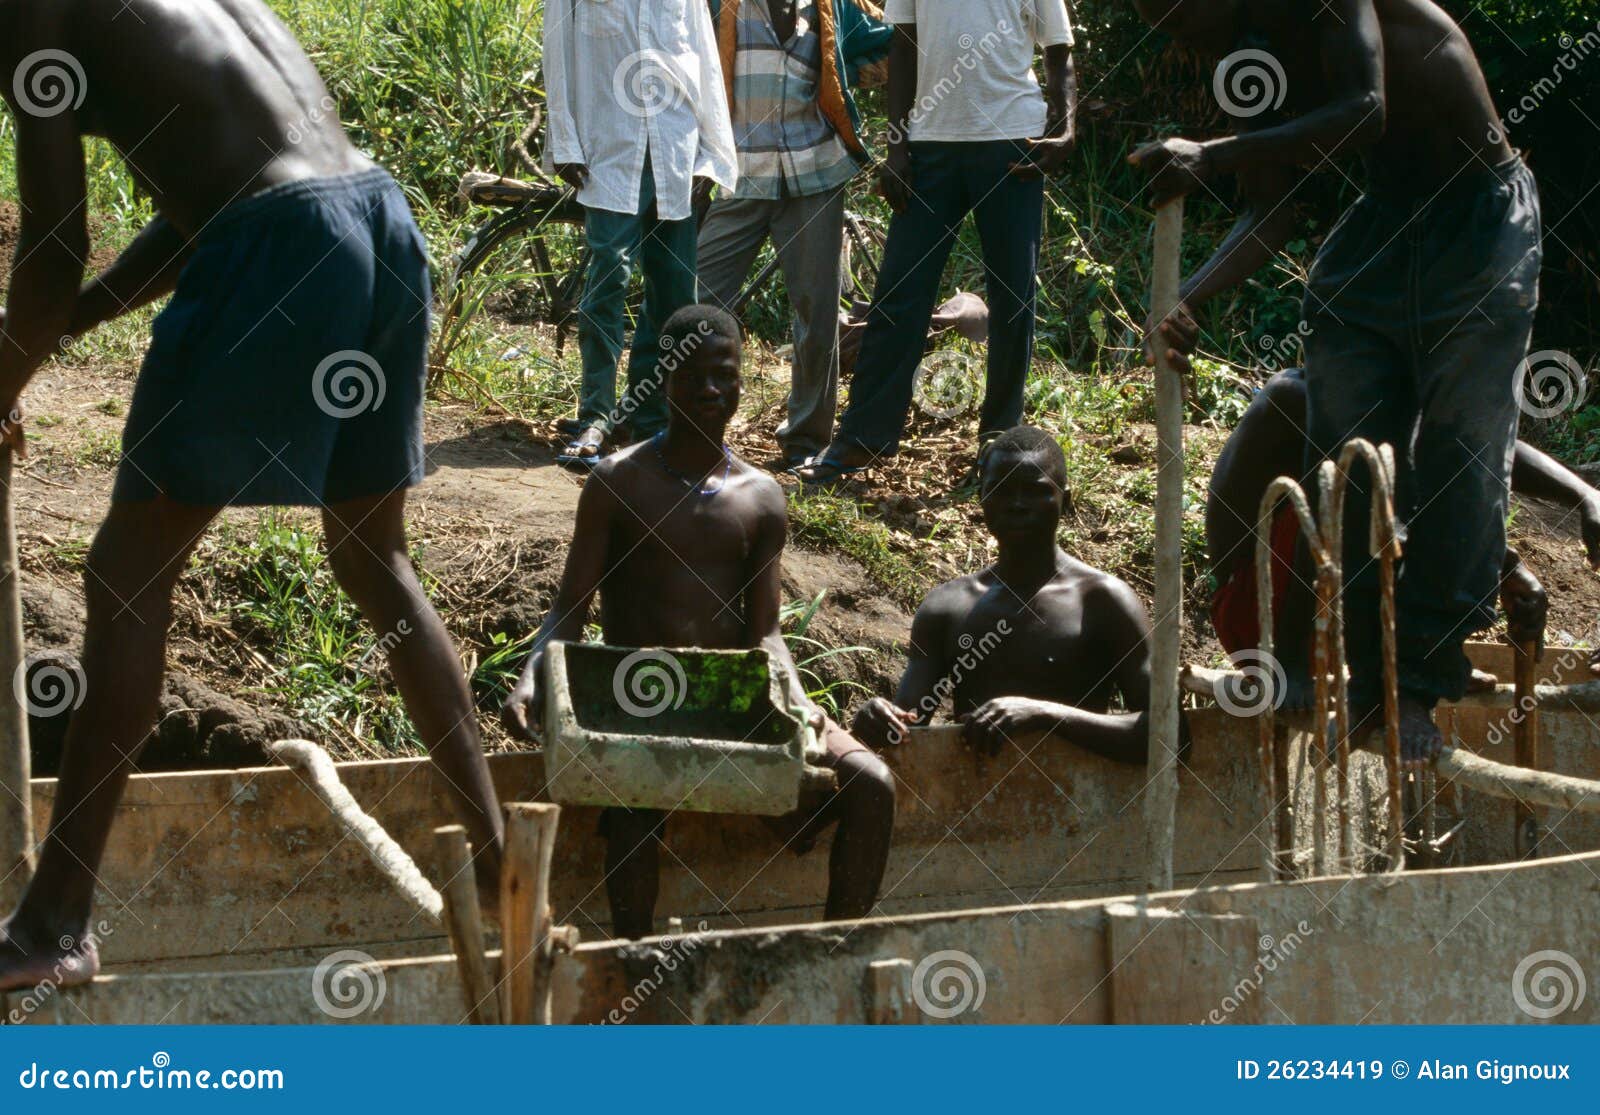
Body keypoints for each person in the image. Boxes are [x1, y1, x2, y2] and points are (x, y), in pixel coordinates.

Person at [0, 0, 503, 992]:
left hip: (282, 245)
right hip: (376, 218)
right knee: (372, 558)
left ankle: (56, 922)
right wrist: (77, 321)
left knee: (126, 571)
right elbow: (214, 189)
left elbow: (55, 244)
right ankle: (502, 859)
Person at [1130, 0, 1541, 766]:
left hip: (1477, 213)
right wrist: (1187, 299)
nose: (1168, 32)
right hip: (1384, 222)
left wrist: (1210, 156)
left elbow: (1366, 113)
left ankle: (1419, 679)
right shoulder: (1245, 68)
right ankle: (1362, 674)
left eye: (1172, 12)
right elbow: (1272, 207)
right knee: (1347, 440)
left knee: (1460, 438)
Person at [501, 305, 894, 940]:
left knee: (872, 781)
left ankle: (834, 950)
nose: (710, 391)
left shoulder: (761, 495)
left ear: (741, 381)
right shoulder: (616, 482)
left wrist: (792, 698)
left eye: (725, 376)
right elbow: (570, 609)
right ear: (663, 378)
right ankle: (635, 961)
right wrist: (531, 678)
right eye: (693, 376)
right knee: (635, 799)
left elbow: (763, 632)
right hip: (640, 692)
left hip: (729, 689)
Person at [794, 0, 1077, 487]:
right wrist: (898, 145)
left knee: (1013, 300)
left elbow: (1059, 50)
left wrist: (1067, 125)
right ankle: (862, 438)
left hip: (1012, 142)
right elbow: (904, 46)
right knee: (900, 292)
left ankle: (999, 447)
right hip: (930, 144)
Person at [1207, 370, 1598, 698]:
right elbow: (1396, 503)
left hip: (1336, 613)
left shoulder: (1380, 400)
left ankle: (1423, 659)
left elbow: (1473, 446)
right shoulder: (1293, 397)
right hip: (1258, 622)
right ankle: (1292, 666)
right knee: (1356, 485)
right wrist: (1502, 561)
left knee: (1432, 477)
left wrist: (1585, 497)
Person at [854, 427, 1162, 763]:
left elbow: (1167, 734)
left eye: (1035, 491)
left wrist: (1044, 715)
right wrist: (878, 720)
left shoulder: (1103, 601)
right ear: (982, 498)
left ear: (1066, 501)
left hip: (1083, 805)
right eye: (1001, 490)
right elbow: (904, 733)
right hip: (973, 805)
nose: (1017, 504)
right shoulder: (948, 606)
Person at [697, 0, 892, 471]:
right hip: (740, 174)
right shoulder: (720, 5)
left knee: (816, 314)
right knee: (698, 303)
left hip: (815, 174)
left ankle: (806, 440)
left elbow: (888, 44)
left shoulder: (834, 6)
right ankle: (688, 426)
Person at [542, 0, 738, 466]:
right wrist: (565, 140)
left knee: (673, 294)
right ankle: (595, 415)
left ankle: (652, 420)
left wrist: (712, 154)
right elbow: (557, 52)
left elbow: (705, 63)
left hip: (676, 152)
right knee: (609, 276)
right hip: (608, 148)